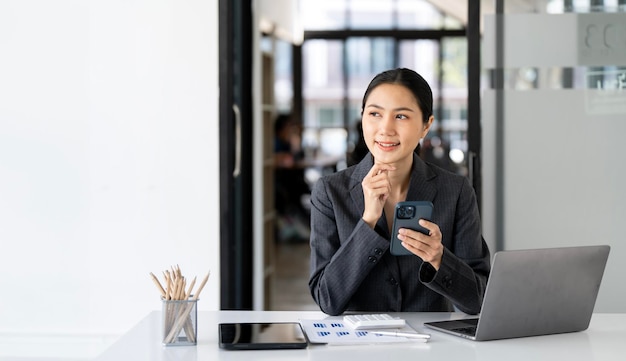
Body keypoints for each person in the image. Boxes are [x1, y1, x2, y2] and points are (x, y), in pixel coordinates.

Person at [308, 68, 490, 316]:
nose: (385, 129)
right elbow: (327, 299)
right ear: (362, 118)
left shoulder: (456, 190)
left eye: (401, 116)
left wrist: (439, 259)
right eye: (374, 114)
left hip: (431, 348)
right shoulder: (330, 192)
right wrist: (368, 220)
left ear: (426, 125)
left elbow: (477, 300)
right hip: (359, 347)